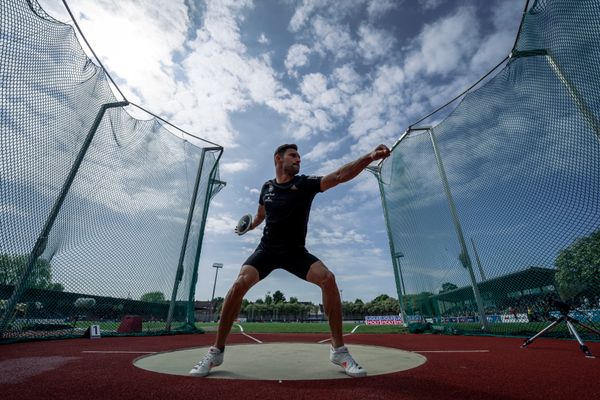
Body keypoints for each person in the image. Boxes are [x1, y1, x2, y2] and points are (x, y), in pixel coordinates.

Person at [190, 143, 391, 378]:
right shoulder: (266, 187)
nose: (298, 160)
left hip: (295, 252)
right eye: (293, 156)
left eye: (299, 157)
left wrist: (369, 156)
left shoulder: (305, 184)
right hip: (267, 249)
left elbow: (338, 176)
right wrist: (248, 226)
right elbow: (261, 216)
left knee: (328, 279)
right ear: (278, 159)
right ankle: (216, 352)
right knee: (238, 285)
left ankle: (339, 351)